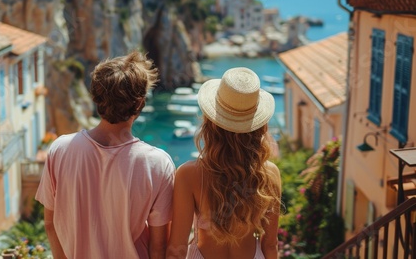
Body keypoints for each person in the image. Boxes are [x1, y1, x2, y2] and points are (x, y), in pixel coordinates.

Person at [36, 51, 175, 259]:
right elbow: (159, 246)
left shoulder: (60, 149)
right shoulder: (157, 164)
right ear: (139, 104)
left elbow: (50, 223)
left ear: (95, 98)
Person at [167, 67, 281, 259]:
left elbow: (176, 248)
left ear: (211, 123)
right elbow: (270, 245)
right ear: (259, 126)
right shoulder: (269, 174)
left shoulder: (189, 174)